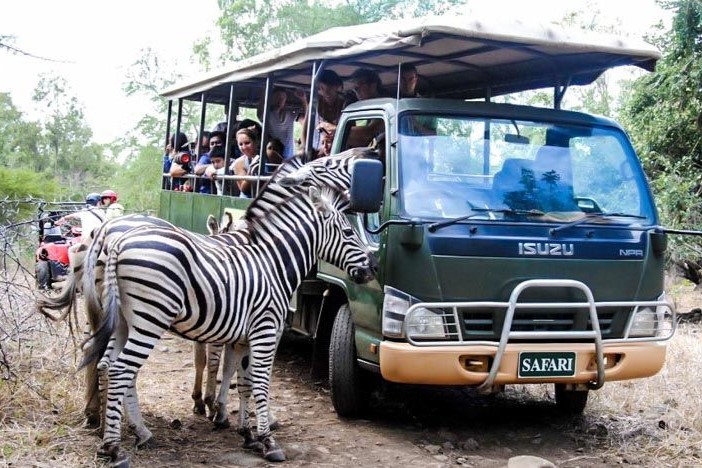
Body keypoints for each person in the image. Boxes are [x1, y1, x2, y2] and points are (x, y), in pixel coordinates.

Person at [301, 69, 345, 152]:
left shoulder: (344, 105)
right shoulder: (314, 104)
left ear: (337, 87)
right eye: (321, 88)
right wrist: (307, 151)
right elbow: (305, 132)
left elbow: (350, 131)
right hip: (315, 152)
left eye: (329, 87)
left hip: (337, 152)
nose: (326, 92)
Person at [258, 88, 306, 159]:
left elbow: (306, 119)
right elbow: (259, 113)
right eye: (277, 97)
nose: (280, 99)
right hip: (272, 155)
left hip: (289, 156)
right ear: (272, 99)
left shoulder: (290, 115)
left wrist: (303, 100)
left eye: (283, 97)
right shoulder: (268, 115)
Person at [231, 127, 260, 198]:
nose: (244, 147)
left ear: (255, 142)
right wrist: (251, 169)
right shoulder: (239, 162)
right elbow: (244, 189)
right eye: (240, 144)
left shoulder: (265, 156)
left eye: (247, 143)